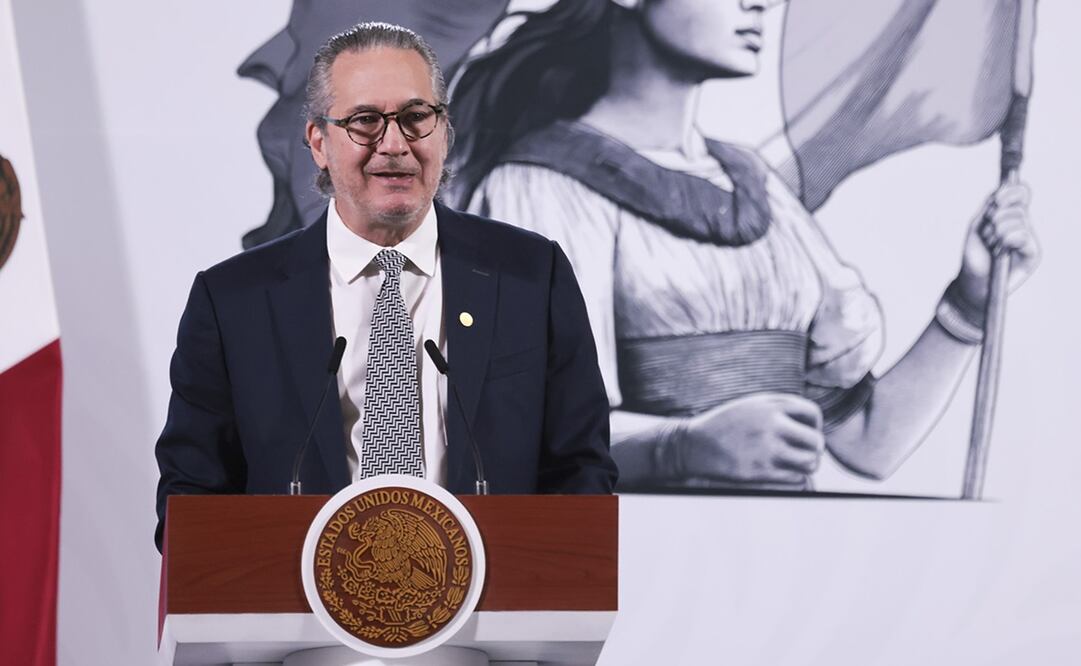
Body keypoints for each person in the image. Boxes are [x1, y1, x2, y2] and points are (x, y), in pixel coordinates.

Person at [446, 0, 1040, 492]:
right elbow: (518, 447)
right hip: (642, 576)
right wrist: (681, 448)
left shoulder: (759, 190)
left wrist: (969, 302)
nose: (763, 2)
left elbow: (866, 445)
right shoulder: (538, 188)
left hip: (780, 575)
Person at [155, 22, 617, 550]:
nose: (394, 144)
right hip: (299, 626)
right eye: (365, 122)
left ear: (444, 131)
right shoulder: (233, 301)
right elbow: (189, 500)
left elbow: (581, 472)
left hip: (486, 621)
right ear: (319, 142)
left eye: (416, 117)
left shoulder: (532, 276)